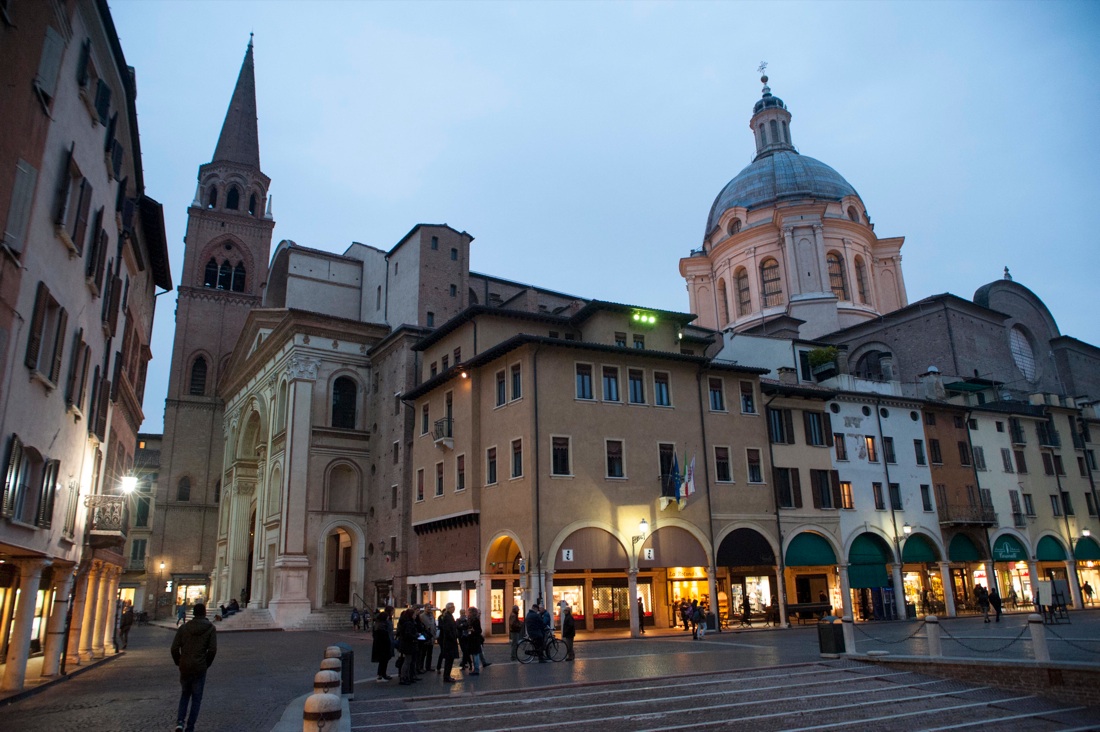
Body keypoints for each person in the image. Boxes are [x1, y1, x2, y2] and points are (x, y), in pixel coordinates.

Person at [170, 603, 217, 732]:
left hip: (185, 665)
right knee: (196, 698)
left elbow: (174, 648)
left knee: (185, 694)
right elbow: (212, 650)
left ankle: (180, 722)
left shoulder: (184, 628)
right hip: (200, 667)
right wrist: (206, 664)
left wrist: (179, 661)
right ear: (205, 613)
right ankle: (190, 727)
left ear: (194, 613)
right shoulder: (210, 628)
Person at [438, 602, 460, 682]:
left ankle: (447, 675)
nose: (454, 608)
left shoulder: (449, 616)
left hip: (451, 641)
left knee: (450, 660)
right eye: (452, 607)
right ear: (448, 608)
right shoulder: (447, 617)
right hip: (449, 642)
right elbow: (447, 629)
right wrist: (453, 637)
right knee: (449, 660)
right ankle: (446, 676)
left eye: (454, 607)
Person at [371, 606, 394, 682]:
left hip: (386, 644)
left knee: (385, 660)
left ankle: (383, 674)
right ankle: (380, 676)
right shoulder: (380, 627)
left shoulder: (382, 624)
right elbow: (381, 635)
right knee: (383, 660)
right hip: (382, 645)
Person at [418, 605, 438, 673]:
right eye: (428, 608)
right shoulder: (422, 616)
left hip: (431, 636)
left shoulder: (432, 615)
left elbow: (434, 624)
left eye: (430, 608)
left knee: (430, 653)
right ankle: (421, 667)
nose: (429, 609)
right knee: (423, 653)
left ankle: (428, 667)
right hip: (425, 636)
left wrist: (434, 633)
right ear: (425, 608)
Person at [466, 606, 485, 675]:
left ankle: (476, 669)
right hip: (472, 639)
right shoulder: (470, 619)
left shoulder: (476, 620)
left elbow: (479, 630)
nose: (468, 613)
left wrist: (473, 630)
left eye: (470, 612)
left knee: (475, 654)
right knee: (474, 654)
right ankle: (475, 668)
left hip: (475, 639)